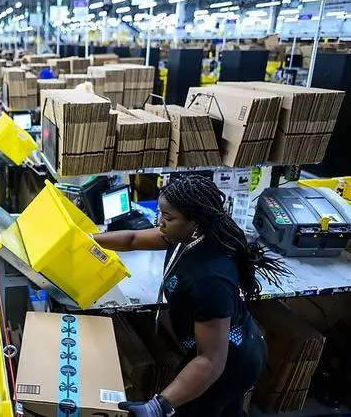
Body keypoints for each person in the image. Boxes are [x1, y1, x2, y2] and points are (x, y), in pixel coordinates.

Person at [93, 175, 289, 417]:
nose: (160, 222)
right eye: (161, 214)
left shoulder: (210, 280)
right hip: (218, 347)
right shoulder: (185, 235)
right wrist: (88, 242)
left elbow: (210, 362)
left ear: (194, 221)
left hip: (230, 361)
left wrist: (158, 406)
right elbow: (132, 239)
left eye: (168, 217)